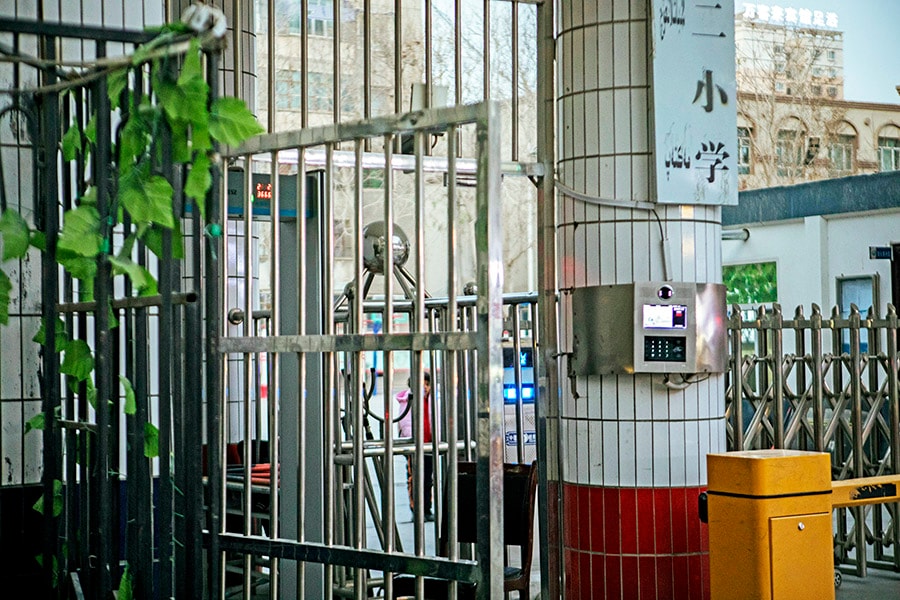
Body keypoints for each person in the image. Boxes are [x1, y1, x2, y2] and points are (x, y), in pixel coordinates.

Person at [395, 371, 434, 522]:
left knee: (428, 480)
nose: (424, 387)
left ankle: (427, 508)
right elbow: (405, 423)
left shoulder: (431, 400)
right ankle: (416, 509)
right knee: (414, 478)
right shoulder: (408, 401)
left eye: (427, 384)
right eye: (421, 384)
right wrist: (410, 440)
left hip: (429, 445)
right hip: (415, 446)